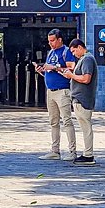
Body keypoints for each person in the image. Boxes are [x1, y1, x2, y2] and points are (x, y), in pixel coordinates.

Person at [36, 28, 77, 161]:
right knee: (53, 122)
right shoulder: (51, 53)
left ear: (60, 40)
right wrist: (42, 70)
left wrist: (54, 68)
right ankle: (55, 150)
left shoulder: (66, 52)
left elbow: (71, 69)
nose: (50, 43)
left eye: (53, 40)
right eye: (49, 41)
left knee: (67, 121)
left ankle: (72, 151)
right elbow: (50, 71)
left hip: (62, 91)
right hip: (51, 91)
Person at [60, 39, 97, 165]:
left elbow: (86, 79)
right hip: (79, 98)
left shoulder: (87, 59)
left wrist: (71, 76)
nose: (73, 54)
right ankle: (87, 153)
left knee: (86, 127)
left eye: (74, 51)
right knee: (85, 126)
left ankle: (88, 155)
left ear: (80, 47)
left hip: (83, 99)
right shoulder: (83, 59)